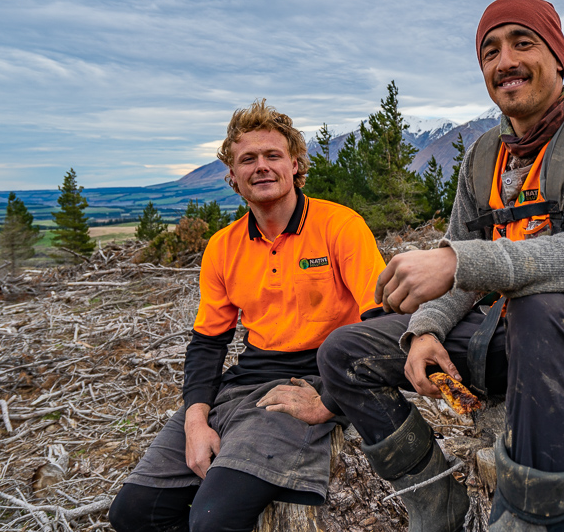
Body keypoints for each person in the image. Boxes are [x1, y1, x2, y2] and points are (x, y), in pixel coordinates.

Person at [298, 0, 564, 532]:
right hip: (510, 332)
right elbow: (461, 256)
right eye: (490, 52)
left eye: (523, 43)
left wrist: (457, 262)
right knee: (345, 351)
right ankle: (435, 502)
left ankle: (534, 519)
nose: (505, 61)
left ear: (558, 58)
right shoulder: (484, 155)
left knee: (544, 311)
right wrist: (425, 328)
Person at [109, 100, 386, 532]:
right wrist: (196, 419)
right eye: (247, 159)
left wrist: (331, 401)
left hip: (318, 377)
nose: (261, 167)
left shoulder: (339, 226)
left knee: (212, 520)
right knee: (133, 513)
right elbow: (207, 342)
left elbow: (380, 322)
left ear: (295, 165)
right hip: (246, 380)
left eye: (273, 155)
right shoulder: (223, 246)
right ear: (232, 177)